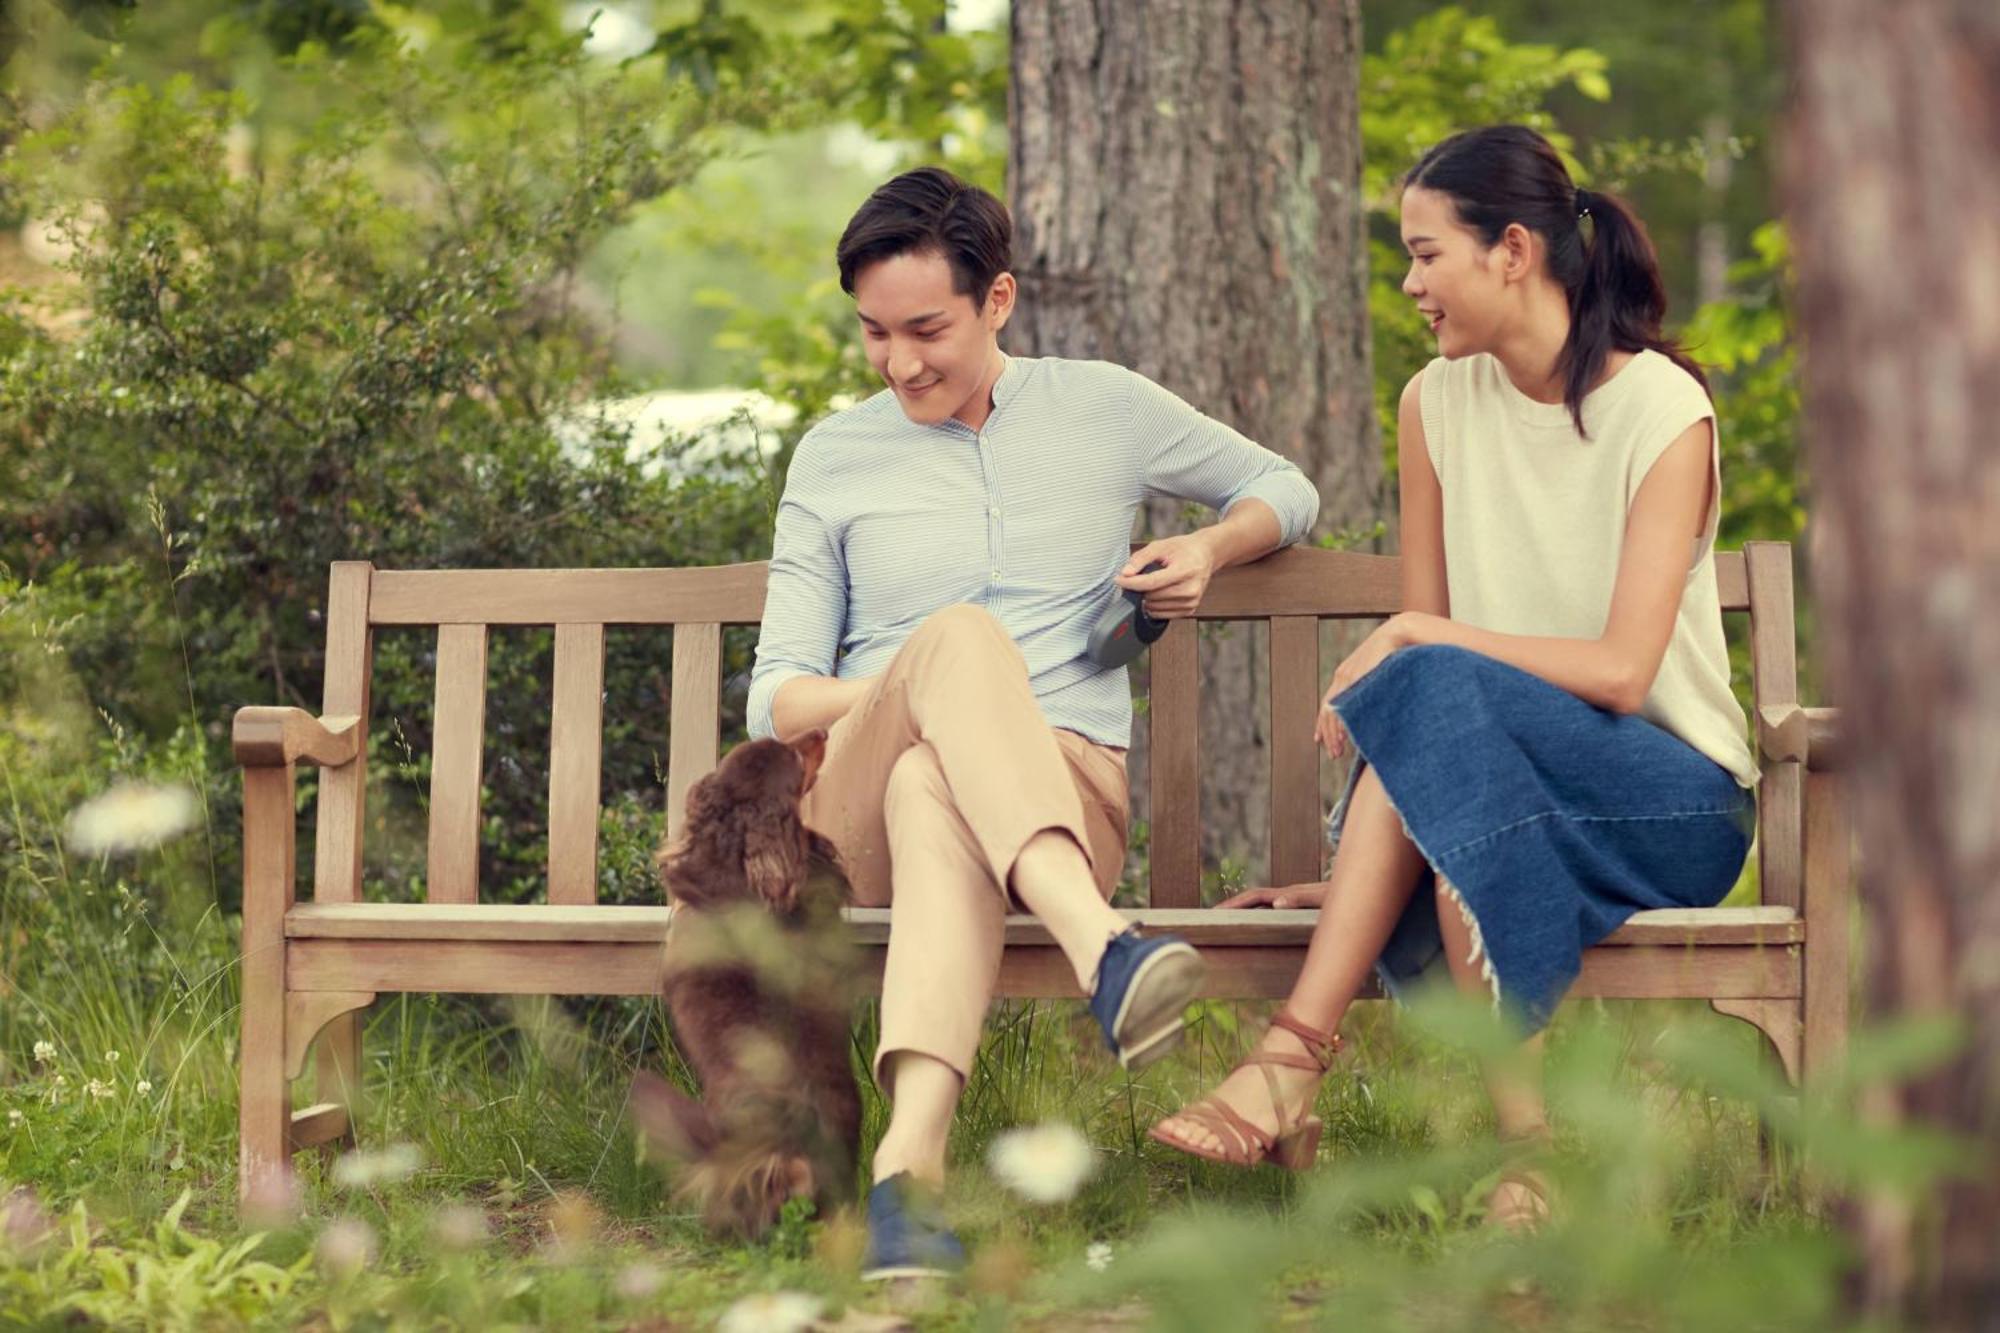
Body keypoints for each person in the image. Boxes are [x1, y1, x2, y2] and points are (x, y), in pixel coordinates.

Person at [1148, 125, 1757, 1231]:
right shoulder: (1433, 404)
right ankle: (1522, 1151)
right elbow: (1429, 660)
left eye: (1426, 254)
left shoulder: (1662, 410)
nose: (1410, 283)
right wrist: (1366, 868)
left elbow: (1620, 672)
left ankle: (1290, 1063)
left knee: (1432, 675)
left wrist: (1423, 637)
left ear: (1512, 250)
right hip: (1500, 790)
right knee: (1434, 685)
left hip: (1666, 800)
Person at [746, 166, 1320, 1278]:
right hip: (853, 809)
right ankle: (1105, 949)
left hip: (1064, 795)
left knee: (935, 789)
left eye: (926, 329)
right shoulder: (834, 455)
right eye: (873, 334)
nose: (900, 361)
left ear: (996, 301)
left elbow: (1280, 485)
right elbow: (776, 693)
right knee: (949, 666)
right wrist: (921, 682)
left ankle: (903, 1187)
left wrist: (1204, 547)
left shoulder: (1100, 406)